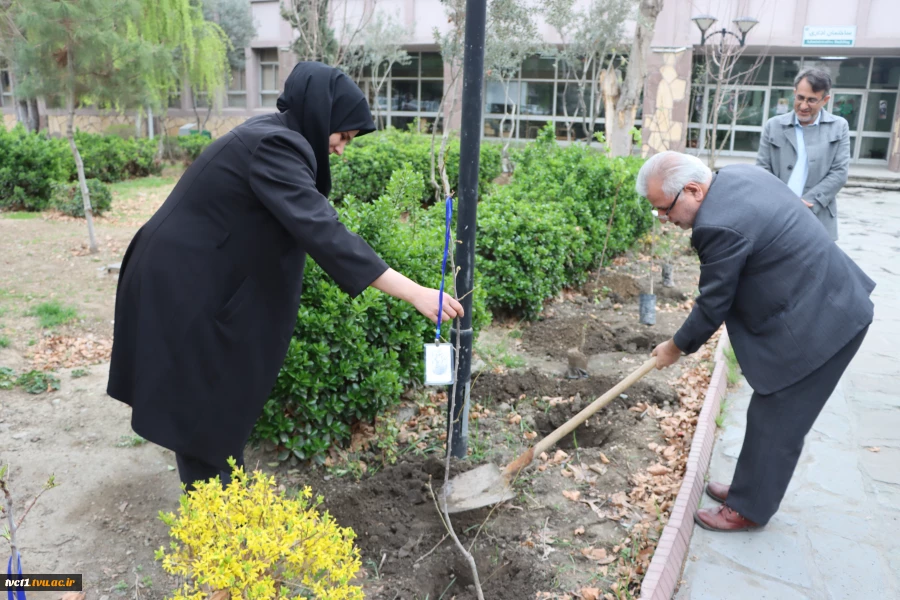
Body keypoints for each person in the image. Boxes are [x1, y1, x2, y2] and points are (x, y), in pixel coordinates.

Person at [107, 62, 463, 491]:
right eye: (342, 136)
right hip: (182, 284)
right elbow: (323, 231)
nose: (341, 149)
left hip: (193, 277)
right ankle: (216, 524)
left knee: (212, 403)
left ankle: (222, 503)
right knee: (203, 407)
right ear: (320, 116)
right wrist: (413, 292)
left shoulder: (275, 137)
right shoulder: (274, 144)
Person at [636, 151, 874, 532]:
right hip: (820, 298)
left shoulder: (716, 225)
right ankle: (747, 489)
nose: (664, 219)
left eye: (664, 209)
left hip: (826, 322)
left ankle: (749, 509)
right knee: (767, 413)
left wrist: (675, 346)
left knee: (779, 420)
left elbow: (713, 304)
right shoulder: (737, 177)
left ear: (693, 190)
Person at [756, 68, 850, 241]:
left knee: (813, 267)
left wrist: (806, 203)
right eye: (800, 98)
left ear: (825, 100)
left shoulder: (839, 127)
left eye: (812, 100)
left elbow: (839, 173)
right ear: (794, 93)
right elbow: (762, 169)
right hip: (776, 214)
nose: (804, 106)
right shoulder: (774, 125)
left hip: (817, 215)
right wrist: (785, 202)